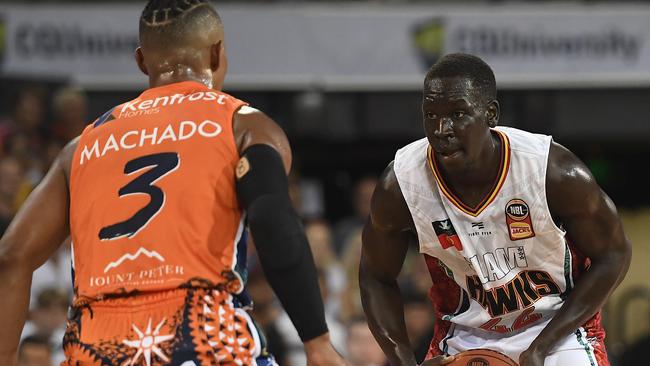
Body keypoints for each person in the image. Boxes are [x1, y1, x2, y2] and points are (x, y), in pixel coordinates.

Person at [0, 1, 345, 365]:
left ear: (141, 61)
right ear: (216, 52)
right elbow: (271, 217)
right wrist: (316, 341)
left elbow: (11, 256)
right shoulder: (244, 125)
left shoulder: (80, 147)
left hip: (96, 344)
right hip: (201, 332)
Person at [359, 53, 631, 366]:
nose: (442, 129)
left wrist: (542, 347)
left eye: (458, 114)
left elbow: (614, 255)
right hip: (466, 333)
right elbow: (375, 276)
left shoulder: (551, 172)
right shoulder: (402, 185)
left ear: (490, 114)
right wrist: (403, 362)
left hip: (557, 327)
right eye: (430, 115)